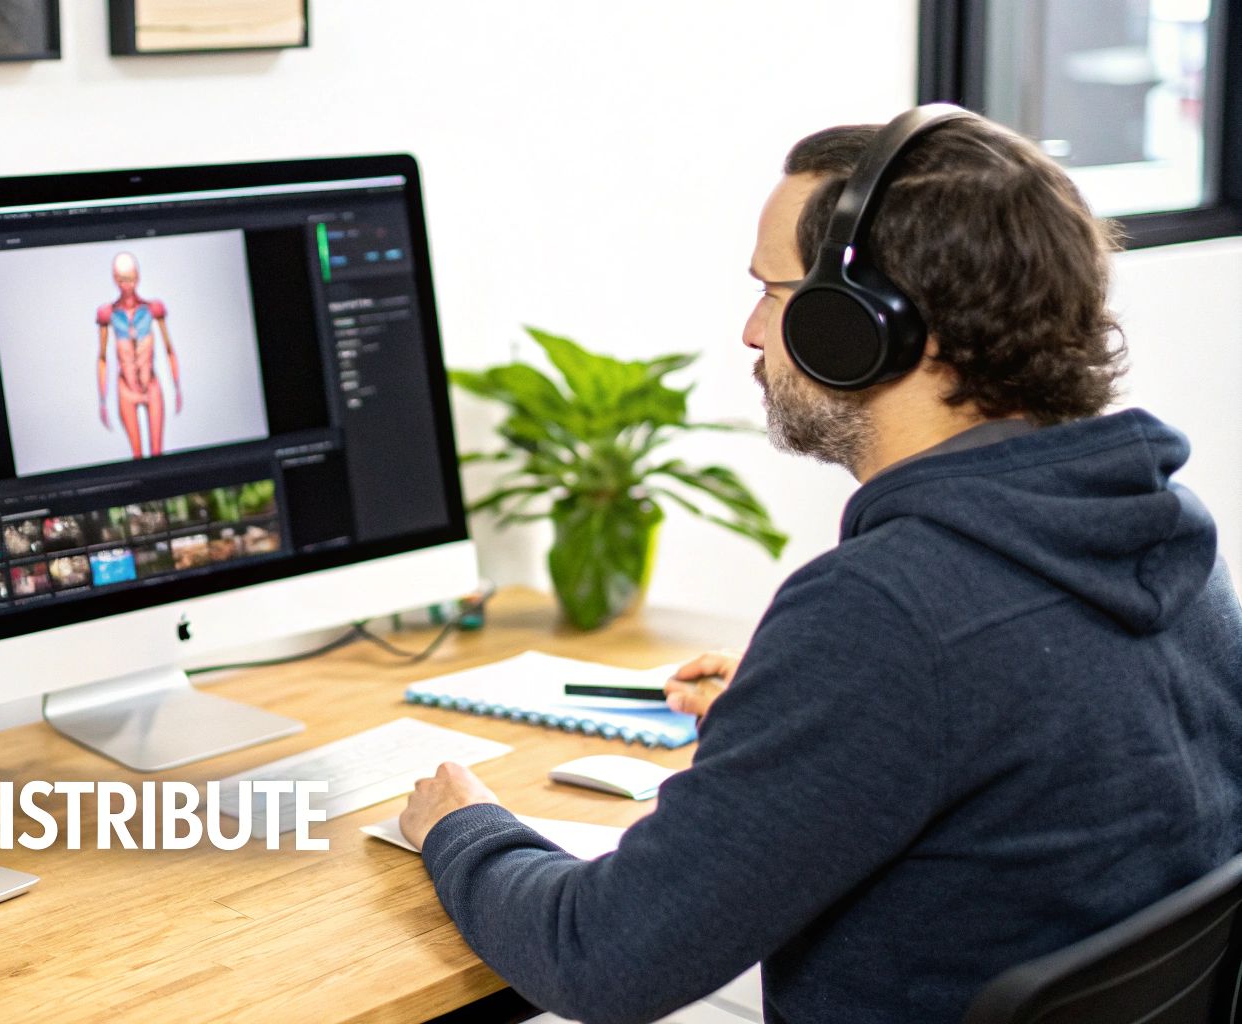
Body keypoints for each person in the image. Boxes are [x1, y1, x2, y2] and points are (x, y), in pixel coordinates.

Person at [400, 109, 1242, 1024]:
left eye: (773, 290)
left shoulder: (890, 612)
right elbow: (1016, 750)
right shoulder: (1156, 526)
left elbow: (599, 960)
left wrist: (462, 827)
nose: (753, 333)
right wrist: (798, 719)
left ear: (864, 325)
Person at [97, 252, 182, 458]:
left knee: (157, 453)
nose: (128, 285)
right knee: (137, 456)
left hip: (150, 385)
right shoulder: (107, 314)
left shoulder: (153, 309)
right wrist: (102, 399)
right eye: (123, 280)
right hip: (126, 388)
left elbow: (169, 348)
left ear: (138, 277)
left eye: (132, 279)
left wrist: (176, 386)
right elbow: (102, 358)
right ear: (116, 280)